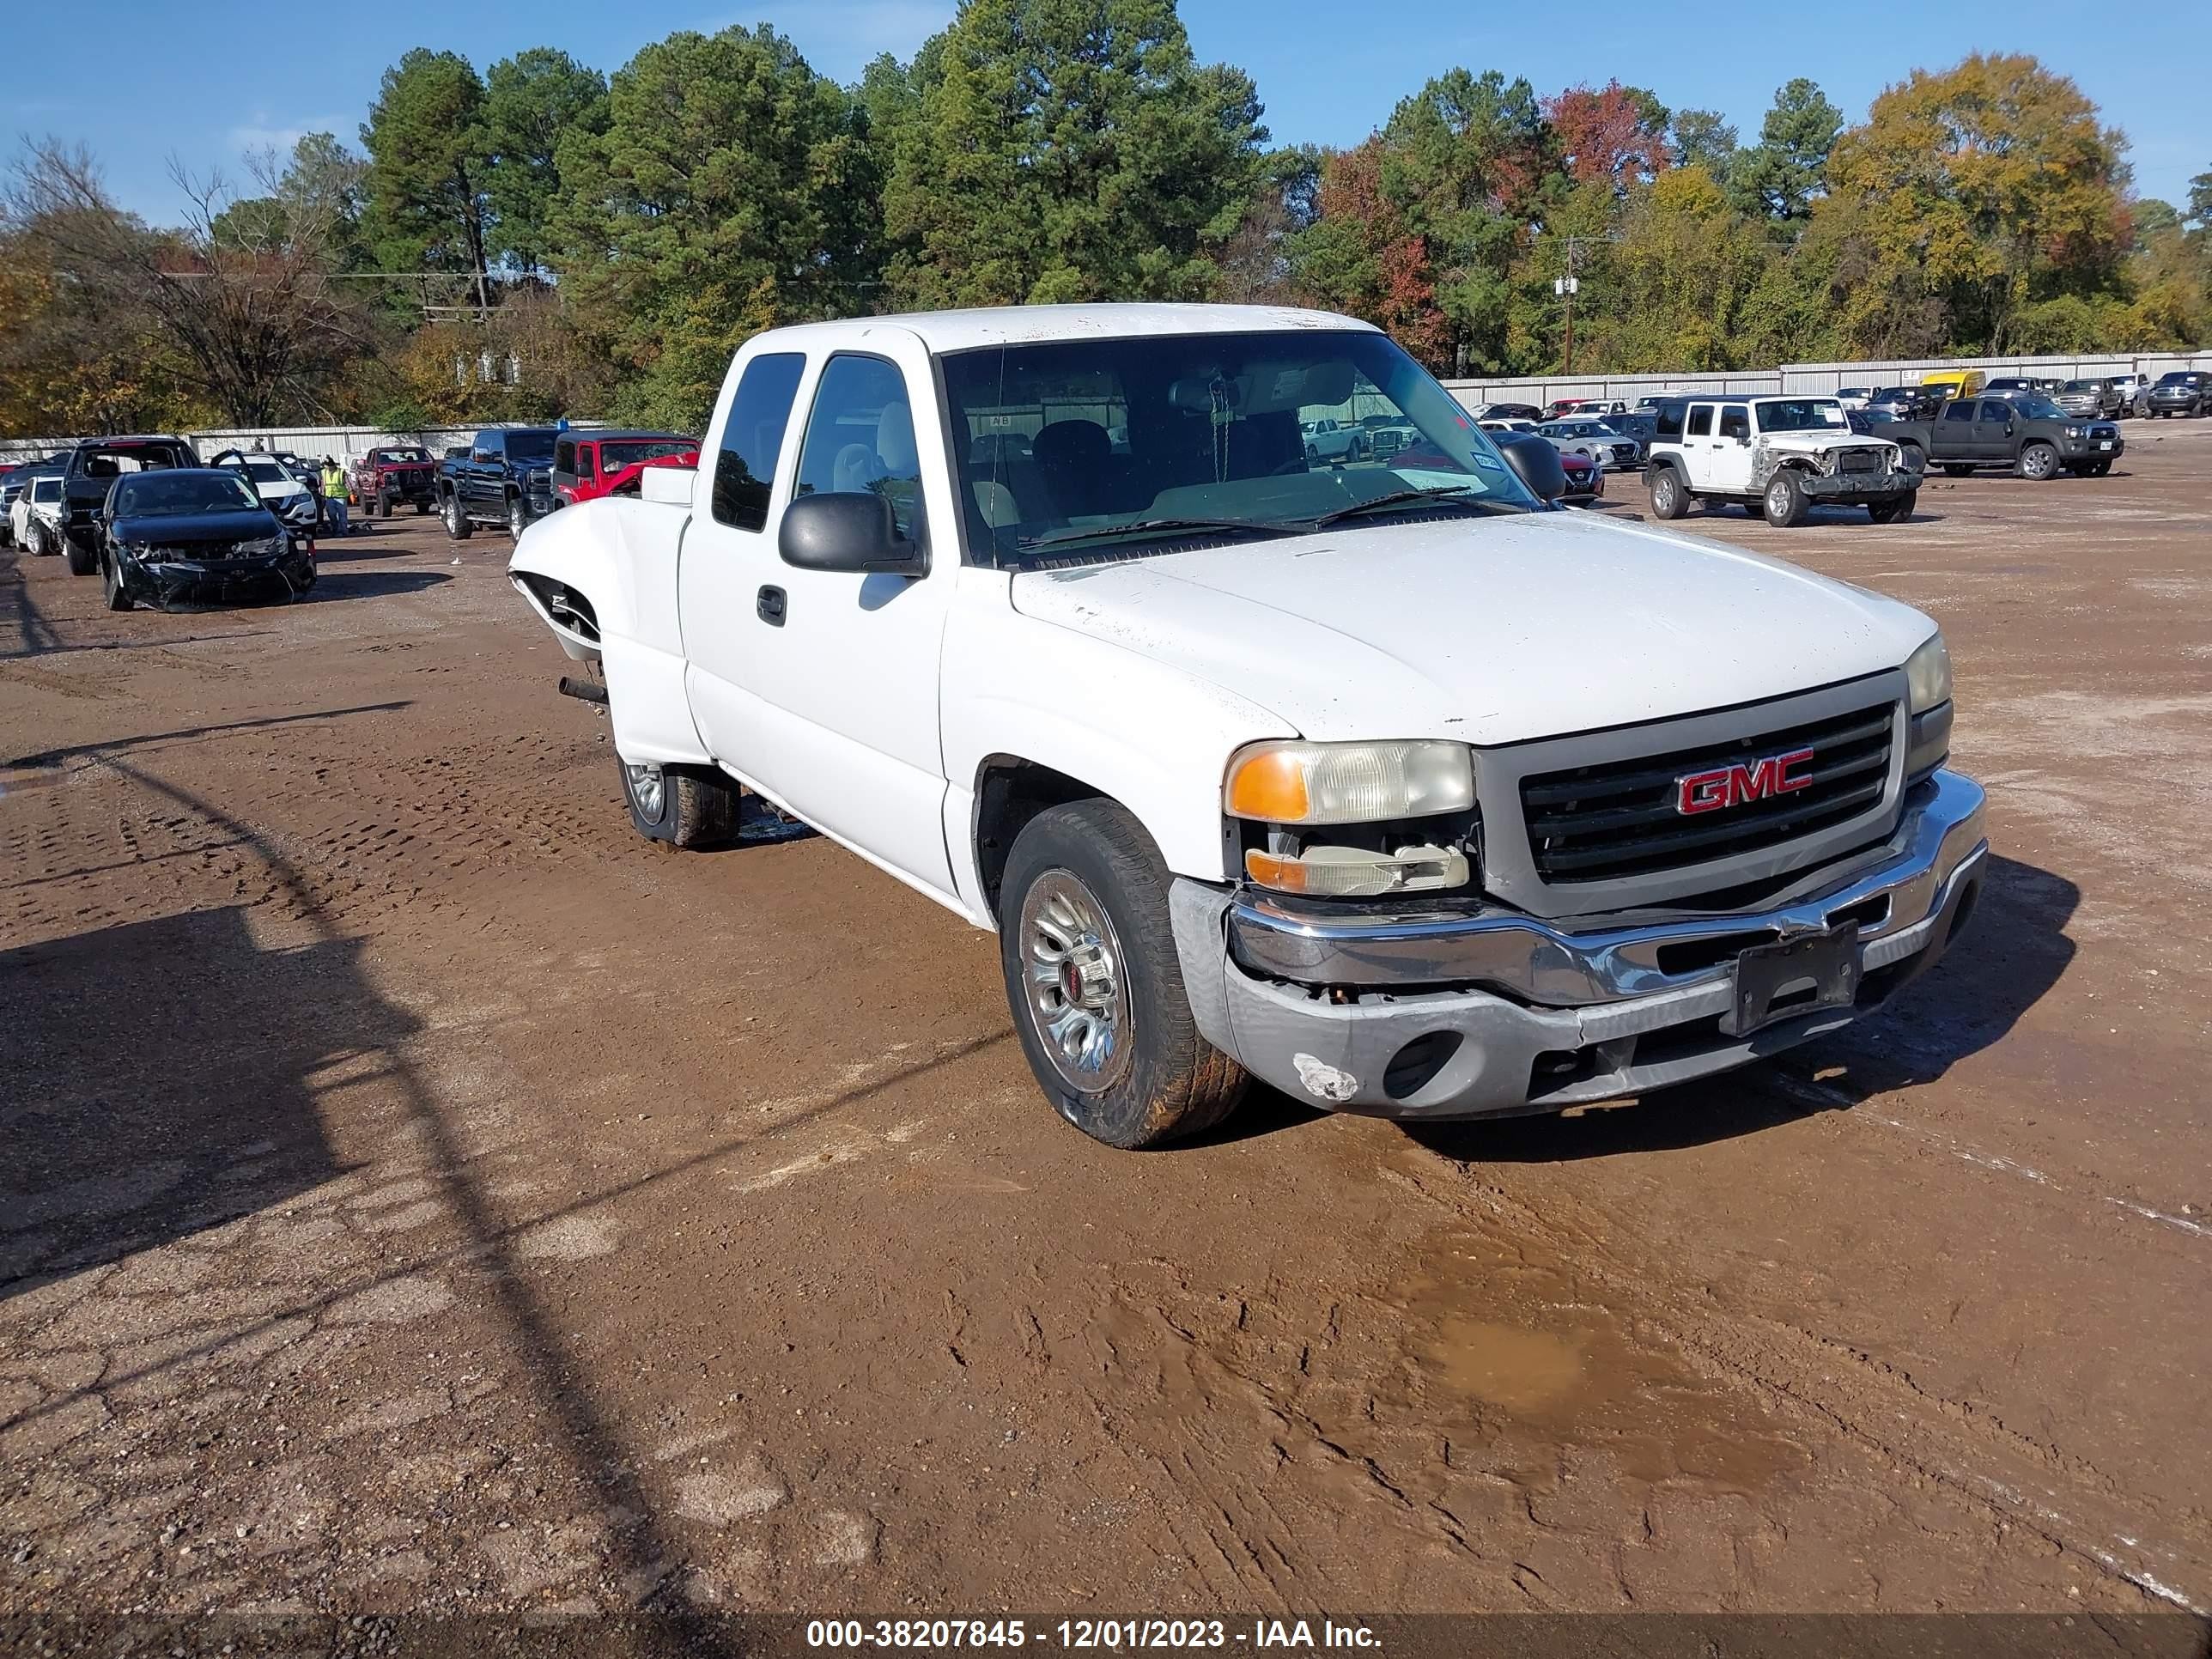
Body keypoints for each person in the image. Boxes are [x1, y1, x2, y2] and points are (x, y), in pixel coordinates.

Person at [320, 455, 350, 537]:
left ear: (330, 465)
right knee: (331, 515)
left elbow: (347, 483)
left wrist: (351, 491)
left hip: (341, 497)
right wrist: (323, 494)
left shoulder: (341, 472)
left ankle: (344, 532)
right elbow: (323, 483)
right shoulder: (324, 472)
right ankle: (336, 530)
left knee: (342, 516)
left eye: (325, 465)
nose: (324, 467)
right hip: (330, 497)